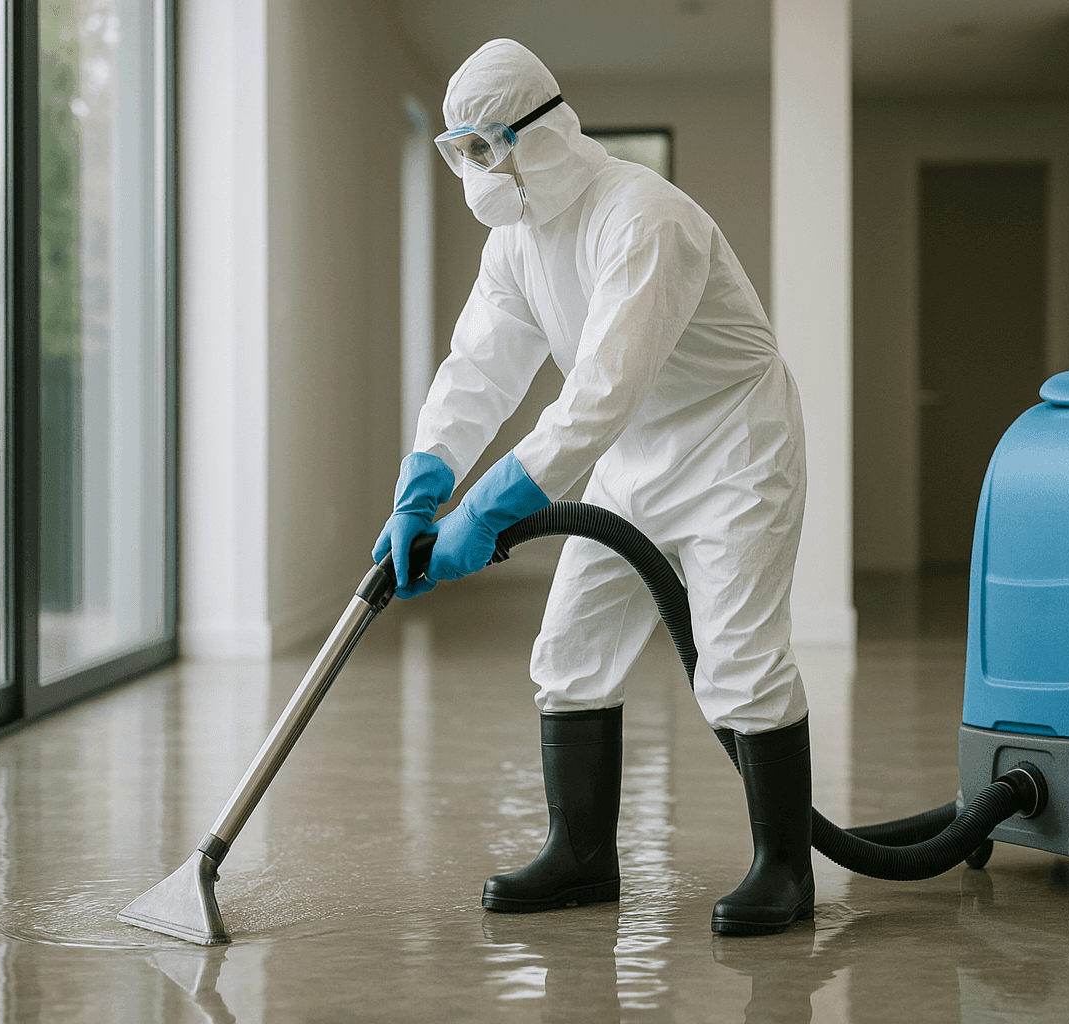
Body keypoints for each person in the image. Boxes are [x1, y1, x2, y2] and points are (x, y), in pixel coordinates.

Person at [374, 38, 812, 936]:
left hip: (733, 444)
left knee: (737, 658)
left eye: (484, 146)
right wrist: (424, 482)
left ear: (540, 134)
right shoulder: (518, 242)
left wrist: (487, 514)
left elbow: (600, 392)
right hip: (629, 457)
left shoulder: (643, 217)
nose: (475, 169)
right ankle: (581, 856)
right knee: (570, 650)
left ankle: (786, 869)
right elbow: (478, 369)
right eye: (460, 151)